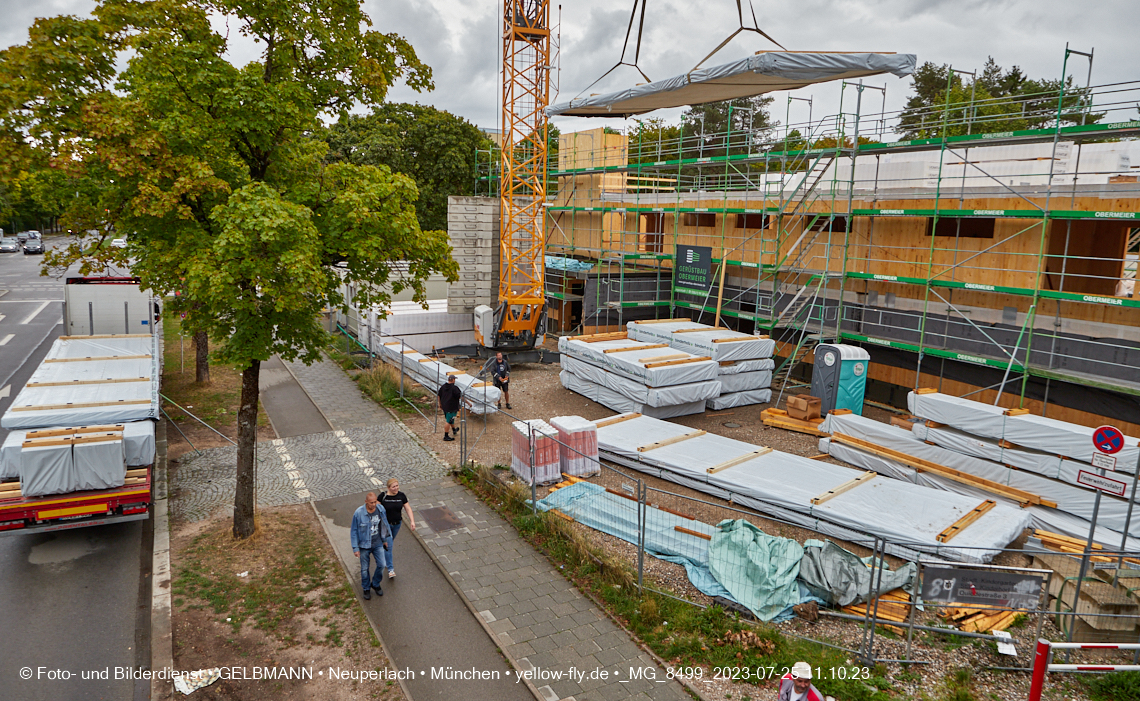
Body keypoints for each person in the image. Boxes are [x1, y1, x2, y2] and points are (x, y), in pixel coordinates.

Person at [350, 492, 391, 600]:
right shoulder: (359, 513)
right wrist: (355, 548)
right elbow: (353, 531)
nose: (374, 504)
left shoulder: (380, 509)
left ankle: (376, 584)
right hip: (364, 545)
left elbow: (383, 525)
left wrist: (384, 540)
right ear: (366, 502)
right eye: (371, 503)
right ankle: (366, 588)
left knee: (382, 564)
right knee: (364, 569)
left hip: (377, 543)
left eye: (375, 502)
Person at [380, 478, 416, 579]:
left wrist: (412, 521)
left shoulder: (401, 496)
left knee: (388, 543)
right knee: (389, 546)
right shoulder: (383, 497)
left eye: (397, 486)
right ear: (388, 488)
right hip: (386, 525)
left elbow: (408, 508)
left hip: (397, 524)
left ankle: (383, 550)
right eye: (393, 487)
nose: (396, 488)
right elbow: (376, 509)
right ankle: (391, 570)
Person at [437, 374, 462, 441]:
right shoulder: (454, 388)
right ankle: (446, 435)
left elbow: (439, 395)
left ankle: (454, 430)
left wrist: (440, 404)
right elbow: (460, 396)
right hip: (452, 407)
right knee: (449, 421)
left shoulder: (443, 386)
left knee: (450, 419)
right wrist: (468, 403)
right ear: (453, 380)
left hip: (445, 406)